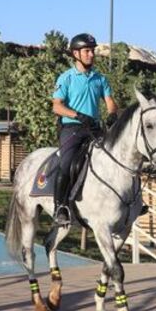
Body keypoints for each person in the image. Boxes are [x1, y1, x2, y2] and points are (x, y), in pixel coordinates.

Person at [51, 33, 118, 226]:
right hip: (72, 128)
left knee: (116, 157)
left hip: (95, 128)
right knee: (66, 164)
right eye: (87, 51)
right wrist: (78, 115)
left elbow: (110, 102)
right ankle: (60, 207)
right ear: (76, 53)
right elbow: (57, 106)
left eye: (92, 51)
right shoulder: (67, 78)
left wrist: (112, 114)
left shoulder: (100, 79)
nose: (91, 55)